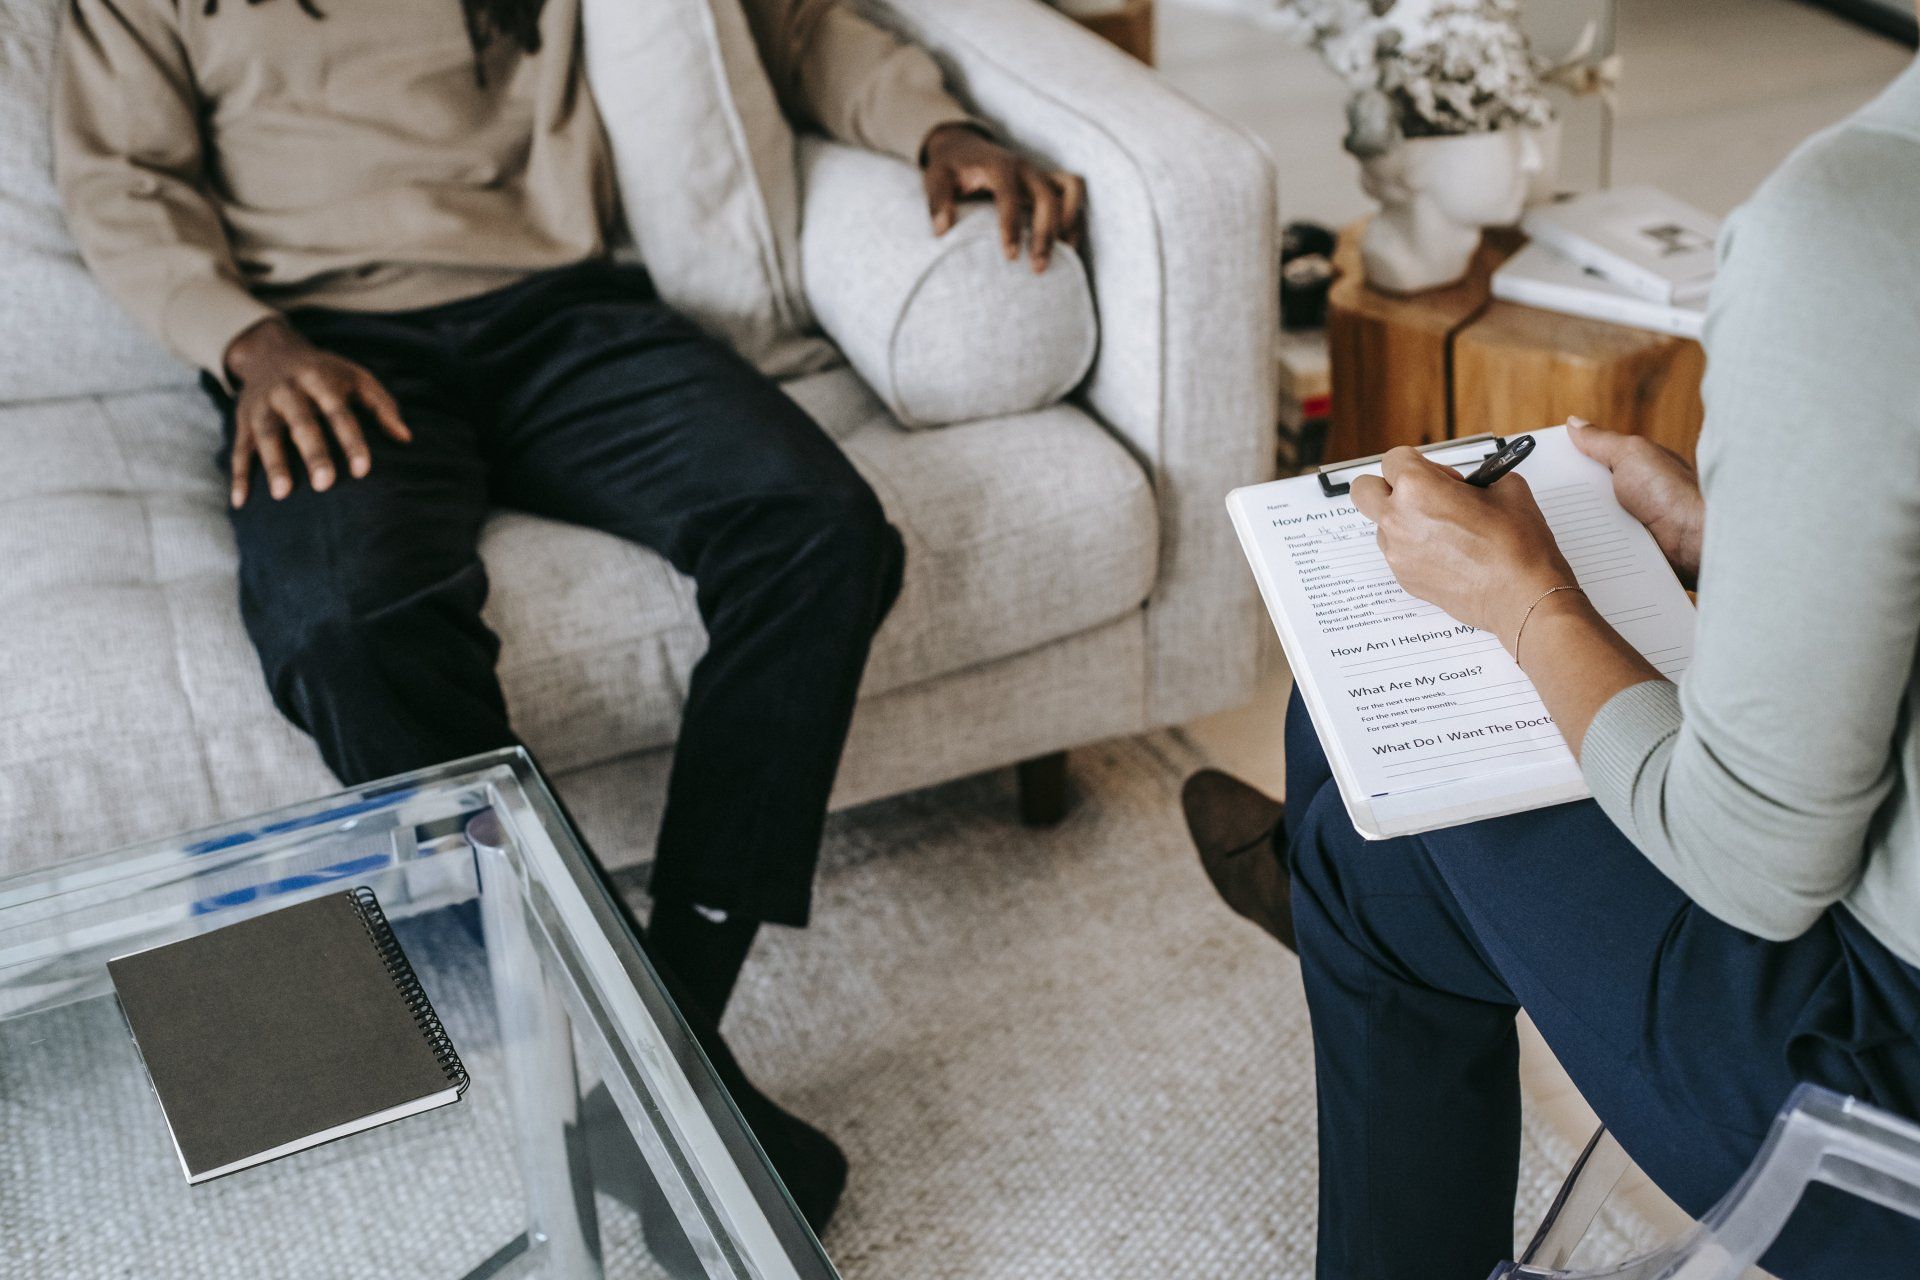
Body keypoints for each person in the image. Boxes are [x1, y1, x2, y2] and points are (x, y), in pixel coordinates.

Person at [54, 0, 1083, 1227]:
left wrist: (938, 124)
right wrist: (250, 346)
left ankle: (656, 1034)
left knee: (818, 533)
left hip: (566, 311)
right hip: (318, 343)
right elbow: (123, 180)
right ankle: (658, 1063)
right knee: (347, 631)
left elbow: (796, 28)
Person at [1183, 46, 1920, 1280]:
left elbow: (1758, 859)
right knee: (1379, 819)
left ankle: (1343, 904)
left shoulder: (1859, 224)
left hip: (1871, 1102)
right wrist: (1742, 538)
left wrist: (1524, 598)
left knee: (1365, 778)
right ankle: (1355, 904)